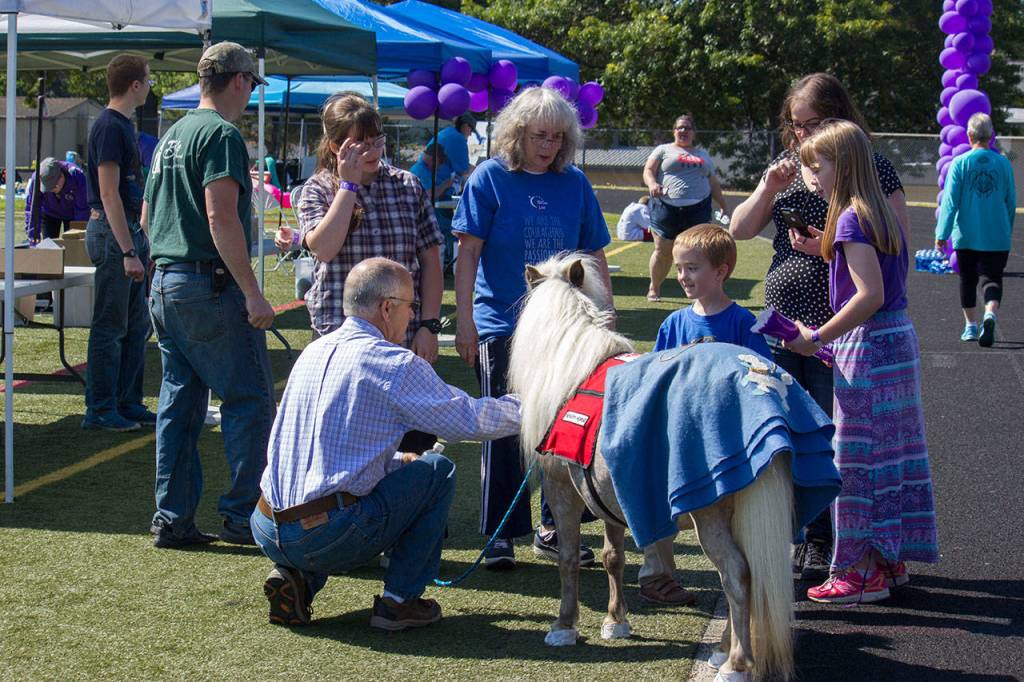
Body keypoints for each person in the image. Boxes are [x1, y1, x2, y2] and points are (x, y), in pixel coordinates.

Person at [252, 257, 521, 630]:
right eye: (411, 306)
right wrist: (537, 406)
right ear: (387, 307)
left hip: (265, 524)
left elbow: (324, 450)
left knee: (345, 505)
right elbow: (470, 420)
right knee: (437, 471)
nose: (413, 317)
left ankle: (299, 577)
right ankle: (400, 601)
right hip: (326, 533)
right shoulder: (393, 363)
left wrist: (395, 461)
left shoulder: (314, 350)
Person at [729, 73, 909, 582]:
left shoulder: (866, 166)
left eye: (814, 124)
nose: (804, 135)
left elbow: (895, 243)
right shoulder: (789, 168)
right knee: (782, 430)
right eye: (796, 125)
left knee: (835, 438)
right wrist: (768, 188)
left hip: (840, 330)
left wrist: (826, 246)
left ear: (840, 117)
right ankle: (800, 536)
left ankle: (836, 542)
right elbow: (740, 230)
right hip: (784, 325)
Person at [452, 86, 612, 570]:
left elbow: (596, 253)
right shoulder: (490, 178)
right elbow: (467, 254)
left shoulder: (576, 184)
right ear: (517, 132)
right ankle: (502, 532)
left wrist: (606, 312)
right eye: (540, 135)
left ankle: (554, 526)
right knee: (507, 428)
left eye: (557, 137)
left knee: (567, 426)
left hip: (567, 329)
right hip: (502, 325)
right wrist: (463, 320)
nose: (548, 145)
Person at [785, 120, 938, 603]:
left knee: (854, 459)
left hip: (869, 346)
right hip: (896, 341)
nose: (813, 177)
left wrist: (817, 336)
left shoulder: (850, 217)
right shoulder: (879, 212)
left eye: (818, 167)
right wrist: (824, 248)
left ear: (843, 166)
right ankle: (886, 559)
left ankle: (858, 573)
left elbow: (867, 295)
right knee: (891, 454)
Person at [144, 42, 276, 549]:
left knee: (179, 405)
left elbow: (148, 216)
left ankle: (172, 517)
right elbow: (221, 216)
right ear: (239, 80)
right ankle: (245, 515)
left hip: (167, 281)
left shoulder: (172, 134)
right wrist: (253, 293)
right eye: (250, 86)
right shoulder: (220, 135)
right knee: (248, 398)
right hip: (206, 284)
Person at [638, 224, 771, 606]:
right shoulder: (674, 324)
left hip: (726, 439)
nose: (682, 277)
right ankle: (658, 574)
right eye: (679, 268)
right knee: (660, 500)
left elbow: (759, 377)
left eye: (692, 268)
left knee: (723, 517)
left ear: (721, 271)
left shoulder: (743, 322)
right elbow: (655, 374)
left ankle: (744, 575)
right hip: (678, 438)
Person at [294, 92, 444, 363]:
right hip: (338, 329)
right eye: (360, 144)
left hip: (402, 333)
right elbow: (325, 249)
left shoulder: (407, 186)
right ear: (335, 147)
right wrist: (348, 186)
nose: (372, 151)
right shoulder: (318, 189)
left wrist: (429, 325)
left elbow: (431, 261)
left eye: (377, 141)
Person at [82, 54, 155, 433]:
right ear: (135, 85)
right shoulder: (110, 126)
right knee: (111, 327)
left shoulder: (121, 124)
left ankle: (126, 402)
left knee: (134, 325)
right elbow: (109, 194)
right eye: (149, 79)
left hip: (124, 232)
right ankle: (101, 408)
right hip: (114, 234)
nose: (151, 85)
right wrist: (128, 250)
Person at [936, 112, 1016, 347]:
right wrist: (1006, 229)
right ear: (991, 136)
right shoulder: (1003, 163)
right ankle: (990, 313)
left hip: (967, 235)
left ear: (970, 135)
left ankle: (971, 326)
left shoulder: (960, 163)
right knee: (992, 279)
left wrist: (942, 234)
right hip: (996, 235)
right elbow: (1010, 201)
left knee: (968, 280)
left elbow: (950, 203)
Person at [643, 114, 729, 302]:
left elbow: (713, 182)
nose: (683, 131)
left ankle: (697, 293)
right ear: (674, 131)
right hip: (668, 207)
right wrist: (651, 184)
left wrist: (723, 204)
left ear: (694, 133)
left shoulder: (703, 155)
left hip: (697, 209)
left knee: (698, 253)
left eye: (687, 128)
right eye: (680, 127)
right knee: (663, 250)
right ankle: (654, 288)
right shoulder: (663, 150)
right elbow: (649, 170)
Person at [24, 157, 89, 243]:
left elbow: (83, 208)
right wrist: (33, 234)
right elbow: (32, 208)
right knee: (49, 246)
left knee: (73, 245)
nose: (52, 190)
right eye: (48, 188)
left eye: (54, 186)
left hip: (73, 215)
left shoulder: (77, 176)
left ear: (61, 175)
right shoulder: (36, 179)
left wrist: (79, 232)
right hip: (49, 213)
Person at [432, 112, 477, 186]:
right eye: (471, 130)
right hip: (435, 186)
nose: (470, 134)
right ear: (465, 126)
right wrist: (482, 170)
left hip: (428, 179)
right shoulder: (458, 139)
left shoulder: (449, 132)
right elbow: (464, 170)